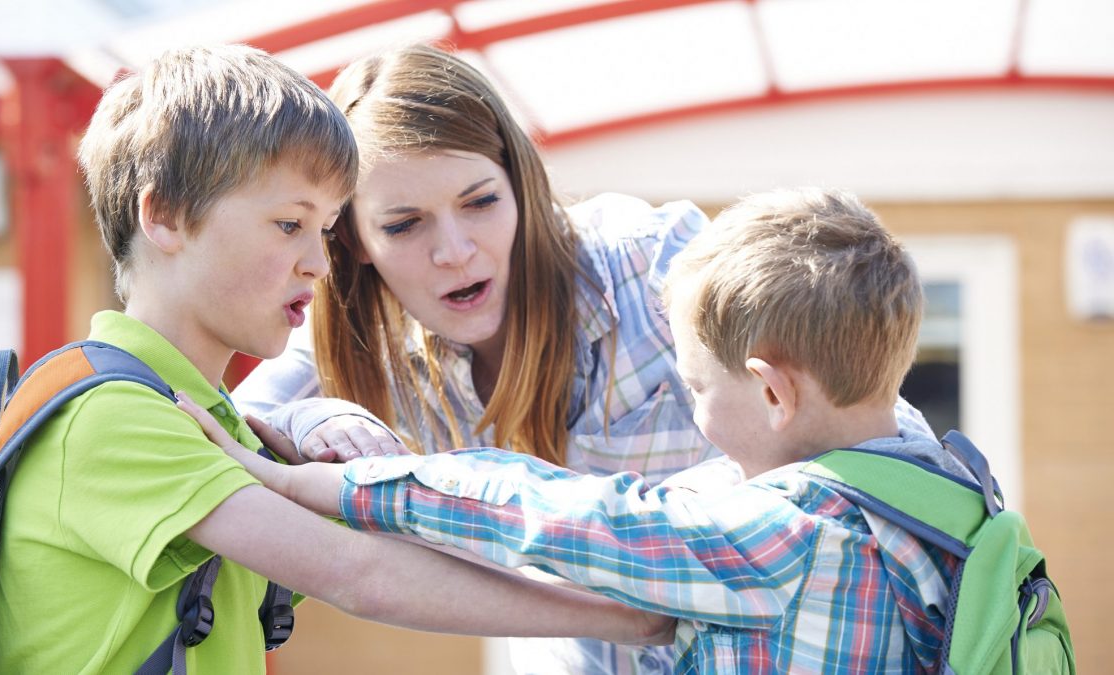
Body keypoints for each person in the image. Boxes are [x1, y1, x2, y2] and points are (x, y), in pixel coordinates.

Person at [234, 45, 936, 674]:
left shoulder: (649, 264)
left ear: (519, 186)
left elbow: (864, 420)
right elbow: (221, 429)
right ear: (354, 239)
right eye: (404, 224)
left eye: (480, 202)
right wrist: (311, 419)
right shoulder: (360, 341)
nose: (454, 250)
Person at [0, 44, 673, 674]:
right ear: (162, 216)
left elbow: (389, 551)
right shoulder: (115, 415)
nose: (318, 262)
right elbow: (361, 572)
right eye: (291, 224)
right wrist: (638, 616)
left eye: (324, 229)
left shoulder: (218, 422)